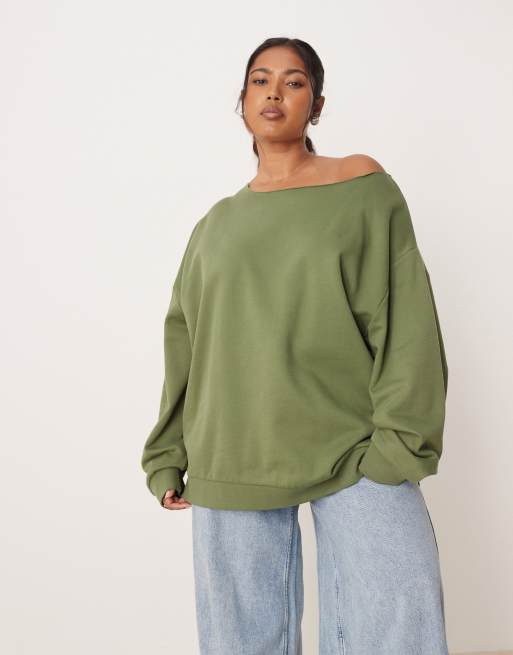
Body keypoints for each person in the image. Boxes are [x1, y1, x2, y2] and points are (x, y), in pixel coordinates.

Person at [140, 36, 450, 655]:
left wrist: (399, 444)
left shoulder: (363, 186)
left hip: (354, 446)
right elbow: (188, 343)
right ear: (242, 101)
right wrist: (168, 452)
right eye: (260, 80)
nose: (274, 92)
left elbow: (406, 320)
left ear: (317, 103)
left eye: (294, 81)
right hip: (232, 452)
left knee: (399, 626)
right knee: (241, 643)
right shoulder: (214, 226)